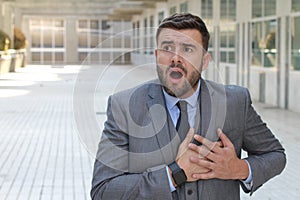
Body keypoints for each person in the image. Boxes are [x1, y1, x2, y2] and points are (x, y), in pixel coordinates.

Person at [91, 13, 286, 200]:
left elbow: (275, 155)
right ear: (157, 56)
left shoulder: (235, 102)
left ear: (205, 61)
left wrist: (239, 168)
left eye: (188, 49)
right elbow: (103, 190)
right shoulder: (124, 107)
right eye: (168, 48)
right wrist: (174, 174)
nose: (176, 58)